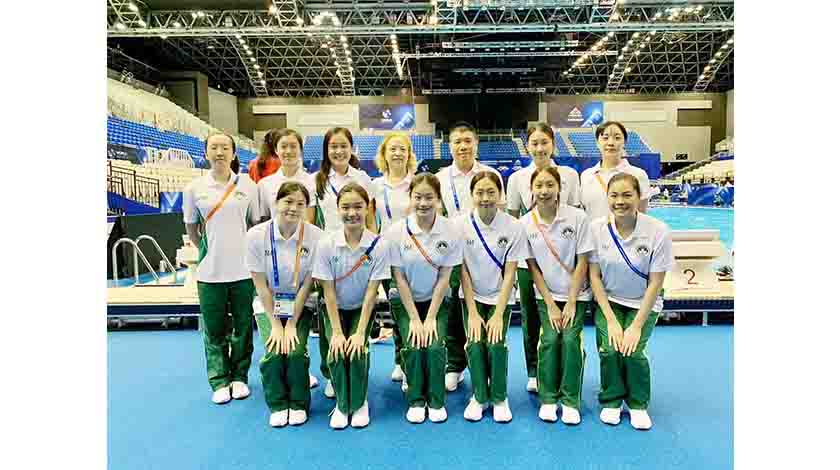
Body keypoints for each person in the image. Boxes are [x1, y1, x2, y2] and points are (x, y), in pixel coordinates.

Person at [588, 173, 675, 430]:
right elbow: (594, 277)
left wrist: (636, 326)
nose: (620, 201)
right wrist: (611, 321)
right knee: (610, 348)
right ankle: (612, 399)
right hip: (610, 300)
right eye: (614, 195)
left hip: (644, 301)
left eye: (627, 195)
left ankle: (638, 403)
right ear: (607, 198)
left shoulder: (658, 231)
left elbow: (656, 283)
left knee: (633, 350)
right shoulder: (597, 229)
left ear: (639, 197)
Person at [182, 132, 260, 405]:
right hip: (210, 272)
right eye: (214, 147)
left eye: (225, 147)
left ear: (234, 153)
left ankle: (240, 377)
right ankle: (219, 380)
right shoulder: (194, 188)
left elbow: (255, 224)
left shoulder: (248, 186)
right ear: (205, 153)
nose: (219, 152)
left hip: (243, 271)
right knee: (214, 329)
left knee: (243, 328)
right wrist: (209, 250)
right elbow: (192, 228)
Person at [506, 122, 580, 393]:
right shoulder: (517, 179)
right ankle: (534, 370)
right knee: (531, 317)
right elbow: (513, 220)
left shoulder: (570, 175)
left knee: (563, 318)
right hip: (529, 259)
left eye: (544, 142)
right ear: (527, 146)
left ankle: (560, 369)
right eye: (534, 143)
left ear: (553, 144)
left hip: (561, 257)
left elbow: (575, 213)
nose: (539, 148)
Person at [383, 173, 463, 424]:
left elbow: (445, 278)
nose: (423, 203)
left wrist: (429, 318)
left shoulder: (451, 230)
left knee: (435, 345)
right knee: (414, 342)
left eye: (429, 197)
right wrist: (415, 320)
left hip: (437, 301)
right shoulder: (396, 232)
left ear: (438, 199)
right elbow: (399, 279)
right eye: (418, 197)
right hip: (405, 300)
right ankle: (417, 400)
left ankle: (436, 400)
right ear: (410, 198)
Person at [312, 183, 390, 429]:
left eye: (358, 206)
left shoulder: (379, 245)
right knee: (336, 349)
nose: (352, 213)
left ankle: (358, 403)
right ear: (337, 209)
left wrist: (359, 332)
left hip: (361, 307)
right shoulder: (326, 244)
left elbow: (372, 292)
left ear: (368, 208)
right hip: (333, 307)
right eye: (346, 207)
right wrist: (336, 332)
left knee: (356, 350)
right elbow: (328, 292)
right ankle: (342, 405)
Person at [246, 182, 324, 427]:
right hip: (268, 302)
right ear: (276, 203)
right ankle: (278, 403)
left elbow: (307, 284)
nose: (293, 208)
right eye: (288, 201)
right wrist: (275, 325)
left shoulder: (316, 236)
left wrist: (290, 324)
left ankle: (298, 403)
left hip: (300, 302)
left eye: (300, 203)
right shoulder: (256, 235)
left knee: (295, 352)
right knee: (274, 351)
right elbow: (260, 286)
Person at [435, 121, 506, 393]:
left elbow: (501, 213)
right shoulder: (441, 178)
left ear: (476, 144)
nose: (463, 146)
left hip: (485, 251)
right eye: (457, 142)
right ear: (449, 146)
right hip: (453, 252)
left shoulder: (490, 174)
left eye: (468, 141)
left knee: (483, 306)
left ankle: (486, 365)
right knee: (454, 307)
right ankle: (455, 364)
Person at [523, 167, 594, 424]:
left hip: (577, 294)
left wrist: (572, 301)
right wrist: (551, 304)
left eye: (550, 185)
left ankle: (570, 400)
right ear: (531, 190)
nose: (544, 191)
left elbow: (583, 260)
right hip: (547, 295)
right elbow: (533, 268)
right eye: (539, 185)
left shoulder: (577, 218)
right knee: (551, 339)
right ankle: (549, 398)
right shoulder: (525, 223)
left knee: (571, 340)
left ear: (559, 188)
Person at [454, 171, 527, 423]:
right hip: (471, 296)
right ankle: (479, 397)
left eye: (491, 192)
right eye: (480, 192)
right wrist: (473, 313)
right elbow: (463, 271)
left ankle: (499, 397)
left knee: (495, 343)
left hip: (500, 296)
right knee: (475, 342)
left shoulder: (514, 227)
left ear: (500, 194)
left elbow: (510, 273)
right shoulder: (460, 226)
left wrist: (498, 313)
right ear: (471, 195)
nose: (485, 198)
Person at [313, 127, 377, 399]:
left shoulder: (363, 178)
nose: (338, 151)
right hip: (329, 253)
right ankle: (330, 372)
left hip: (358, 250)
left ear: (352, 148)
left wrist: (372, 248)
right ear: (326, 150)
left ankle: (358, 364)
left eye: (343, 146)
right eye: (333, 146)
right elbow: (311, 222)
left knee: (360, 307)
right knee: (328, 311)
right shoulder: (317, 180)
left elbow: (370, 217)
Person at [371, 133, 417, 384]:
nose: (398, 153)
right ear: (384, 154)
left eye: (402, 149)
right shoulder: (375, 186)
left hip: (416, 254)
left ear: (409, 154)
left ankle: (416, 358)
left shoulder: (417, 182)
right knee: (397, 308)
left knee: (416, 308)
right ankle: (400, 358)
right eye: (393, 149)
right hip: (388, 255)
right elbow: (370, 222)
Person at [580, 121, 651, 220]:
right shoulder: (586, 175)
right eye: (605, 138)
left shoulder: (638, 175)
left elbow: (642, 215)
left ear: (624, 142)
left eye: (617, 138)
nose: (611, 143)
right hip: (593, 230)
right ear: (597, 143)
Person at [257, 128, 316, 225]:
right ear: (276, 150)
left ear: (301, 150)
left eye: (293, 146)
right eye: (283, 146)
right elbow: (264, 221)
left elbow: (310, 221)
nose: (288, 151)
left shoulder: (311, 181)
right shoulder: (264, 184)